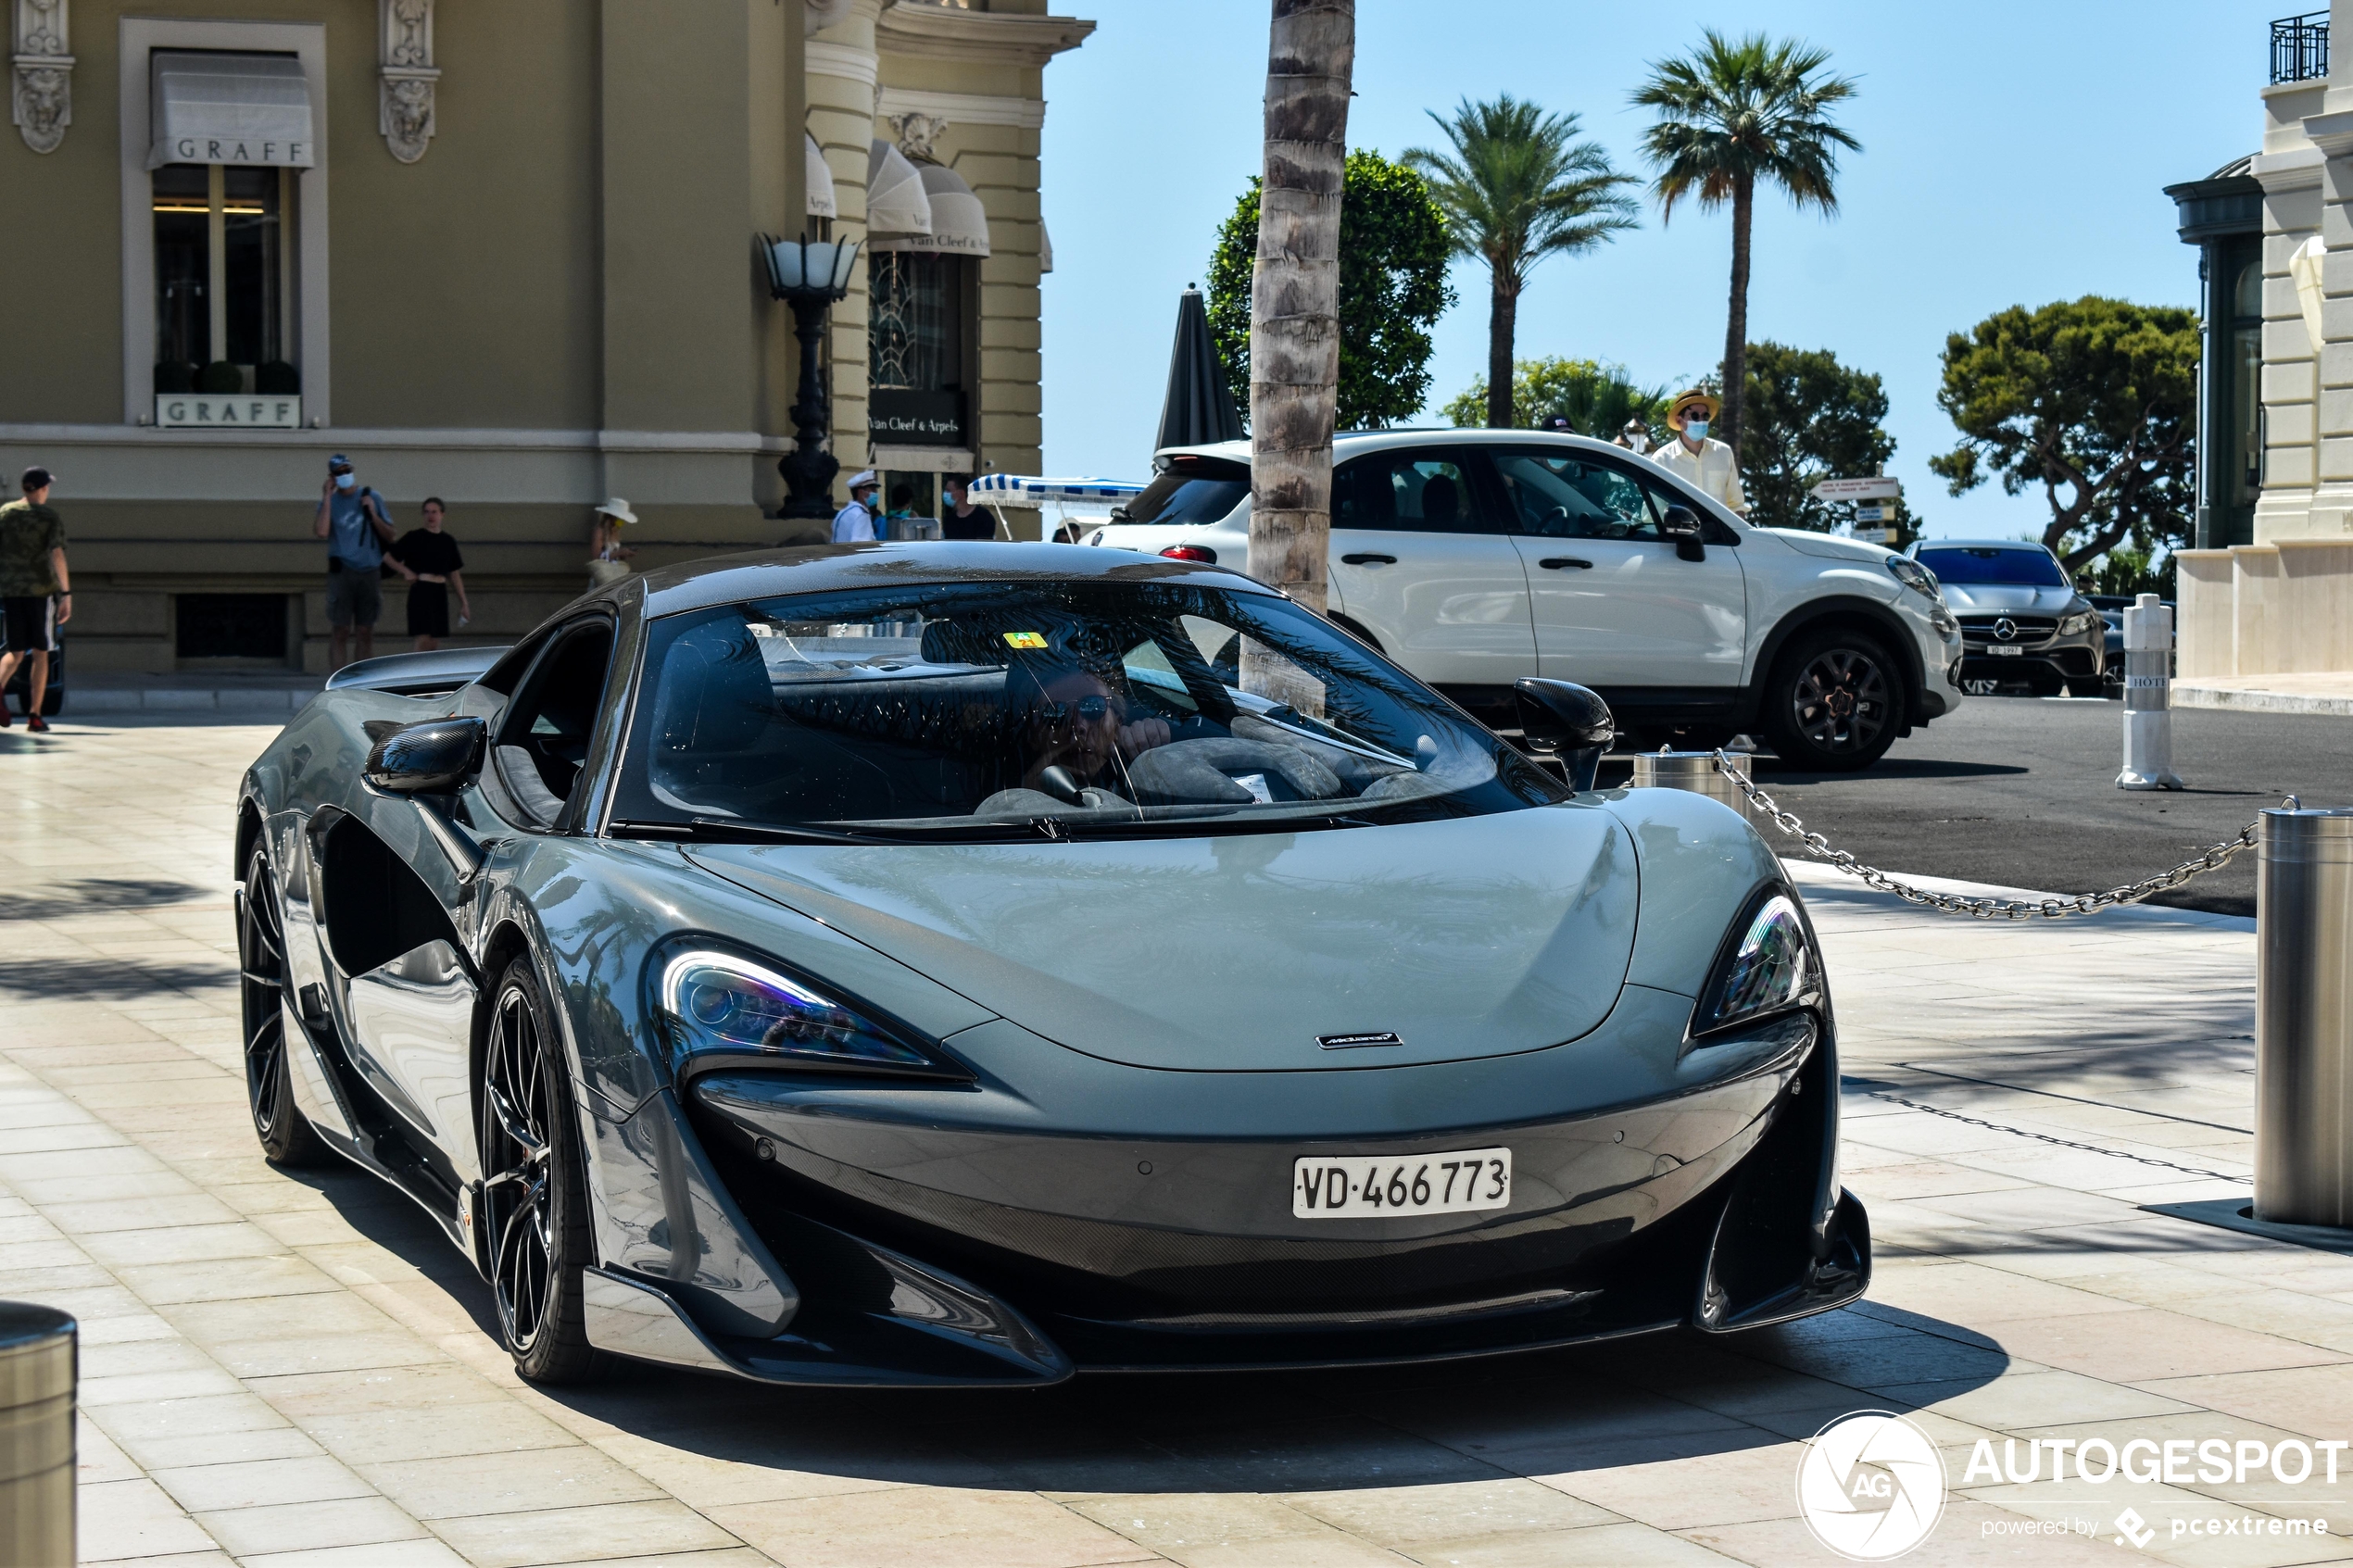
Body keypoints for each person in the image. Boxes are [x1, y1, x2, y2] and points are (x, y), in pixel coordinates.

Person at [1013, 659, 1171, 796]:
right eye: (1055, 713)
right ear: (1033, 735)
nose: (1078, 727)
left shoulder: (1145, 777)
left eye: (1094, 707)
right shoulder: (1004, 804)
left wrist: (1154, 755)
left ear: (1118, 723)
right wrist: (1026, 799)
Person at [0, 467, 70, 732]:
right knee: (42, 652)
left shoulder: (5, 514)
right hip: (40, 593)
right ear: (42, 489)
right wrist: (66, 594)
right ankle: (35, 715)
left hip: (10, 590)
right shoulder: (48, 516)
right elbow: (57, 555)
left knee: (15, 651)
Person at [311, 454, 397, 669]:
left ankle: (363, 681)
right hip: (342, 572)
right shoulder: (329, 502)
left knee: (365, 630)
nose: (345, 475)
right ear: (332, 476)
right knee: (340, 629)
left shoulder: (371, 496)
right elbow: (321, 531)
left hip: (369, 570)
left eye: (347, 470)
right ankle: (338, 683)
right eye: (339, 472)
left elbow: (390, 535)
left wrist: (372, 513)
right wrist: (328, 496)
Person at [389, 497, 470, 652]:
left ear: (442, 514)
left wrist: (464, 603)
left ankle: (429, 675)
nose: (430, 516)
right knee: (423, 638)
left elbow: (454, 573)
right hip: (421, 590)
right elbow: (388, 556)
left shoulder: (448, 541)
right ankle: (415, 673)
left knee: (434, 641)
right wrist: (405, 571)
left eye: (434, 512)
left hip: (439, 591)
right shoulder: (414, 537)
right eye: (426, 512)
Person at [1648, 390, 1746, 516]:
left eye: (1705, 416)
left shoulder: (1723, 453)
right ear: (1679, 420)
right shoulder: (1662, 459)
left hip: (1718, 534)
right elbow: (1652, 512)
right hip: (1679, 534)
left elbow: (1736, 504)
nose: (1701, 420)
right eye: (1694, 416)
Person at [589, 497, 636, 587]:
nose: (622, 521)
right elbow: (596, 557)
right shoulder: (599, 531)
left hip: (613, 577)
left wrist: (623, 554)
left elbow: (613, 555)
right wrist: (619, 553)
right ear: (613, 517)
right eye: (620, 518)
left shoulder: (615, 532)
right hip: (602, 578)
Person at [941, 474, 995, 541]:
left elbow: (983, 547)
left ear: (961, 493)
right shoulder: (949, 519)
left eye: (948, 490)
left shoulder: (983, 517)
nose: (945, 494)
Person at [833, 470, 880, 544]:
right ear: (861, 492)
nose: (876, 493)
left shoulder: (844, 512)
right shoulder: (862, 515)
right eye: (873, 490)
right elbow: (862, 547)